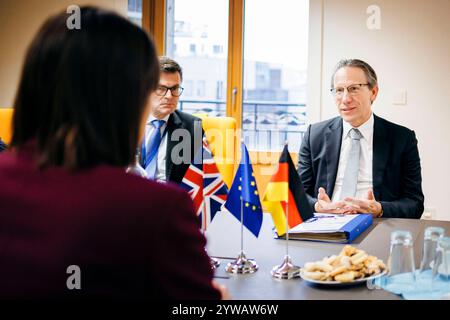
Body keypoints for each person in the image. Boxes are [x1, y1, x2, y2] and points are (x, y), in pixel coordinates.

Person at [0, 6, 225, 300]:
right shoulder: (158, 210)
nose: (167, 96)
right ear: (130, 97)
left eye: (176, 90)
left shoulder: (190, 130)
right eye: (151, 88)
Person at [298, 59, 424, 219]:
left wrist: (379, 208)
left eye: (353, 89)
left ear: (373, 92)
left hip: (377, 224)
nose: (345, 99)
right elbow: (296, 195)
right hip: (325, 224)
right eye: (338, 90)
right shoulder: (313, 135)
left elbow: (415, 204)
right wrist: (318, 206)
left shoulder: (402, 139)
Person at [141, 56, 202, 183]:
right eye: (161, 88)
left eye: (174, 89)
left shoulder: (192, 128)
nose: (169, 96)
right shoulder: (123, 123)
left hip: (168, 198)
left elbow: (205, 177)